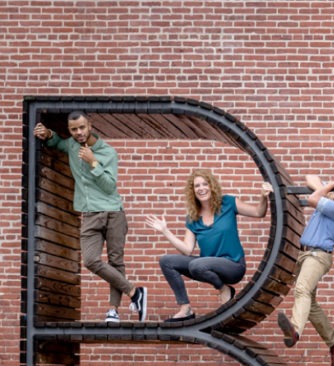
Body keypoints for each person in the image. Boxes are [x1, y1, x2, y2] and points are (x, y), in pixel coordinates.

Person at [34, 112, 147, 323]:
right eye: (74, 129)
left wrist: (93, 162)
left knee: (116, 261)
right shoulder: (71, 145)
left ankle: (113, 310)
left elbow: (109, 186)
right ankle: (135, 293)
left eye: (82, 128)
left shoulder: (108, 152)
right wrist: (47, 133)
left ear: (90, 126)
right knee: (91, 260)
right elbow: (57, 143)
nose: (78, 133)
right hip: (89, 214)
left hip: (113, 212)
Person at [145, 169, 272, 321]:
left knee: (197, 265)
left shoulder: (228, 203)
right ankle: (186, 309)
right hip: (205, 266)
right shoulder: (193, 218)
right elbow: (187, 249)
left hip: (233, 265)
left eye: (205, 184)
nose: (201, 188)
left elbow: (259, 212)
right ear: (193, 191)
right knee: (167, 261)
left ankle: (224, 289)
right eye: (197, 186)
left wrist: (263, 197)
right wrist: (165, 231)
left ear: (212, 186)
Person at [277, 172, 334, 366]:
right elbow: (310, 177)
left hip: (318, 256)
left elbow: (312, 198)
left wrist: (330, 190)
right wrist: (332, 186)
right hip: (305, 254)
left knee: (301, 290)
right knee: (311, 303)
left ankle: (295, 331)